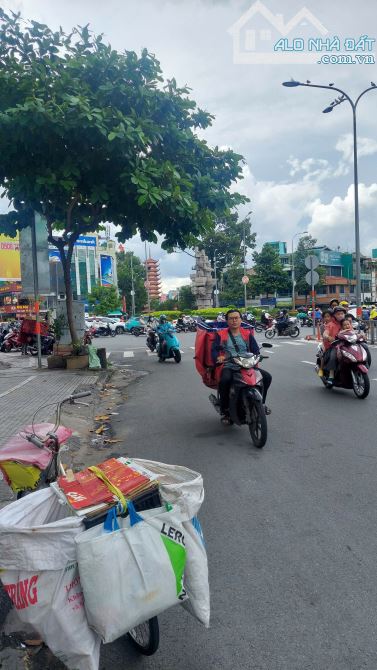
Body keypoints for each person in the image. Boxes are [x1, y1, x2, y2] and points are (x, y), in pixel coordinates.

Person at [213, 309, 272, 422]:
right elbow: (214, 350)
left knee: (267, 377)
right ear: (227, 321)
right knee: (224, 380)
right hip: (230, 364)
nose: (234, 320)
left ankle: (261, 404)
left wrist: (258, 356)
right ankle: (225, 409)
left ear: (241, 319)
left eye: (236, 318)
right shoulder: (221, 334)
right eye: (231, 318)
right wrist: (218, 357)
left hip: (247, 364)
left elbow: (255, 349)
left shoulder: (247, 333)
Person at [322, 306, 347, 386]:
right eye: (338, 314)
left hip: (345, 344)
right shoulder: (330, 324)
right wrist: (328, 337)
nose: (340, 315)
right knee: (333, 356)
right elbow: (325, 333)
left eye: (342, 314)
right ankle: (331, 376)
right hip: (334, 346)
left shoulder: (345, 323)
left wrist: (361, 335)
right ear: (334, 316)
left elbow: (352, 330)